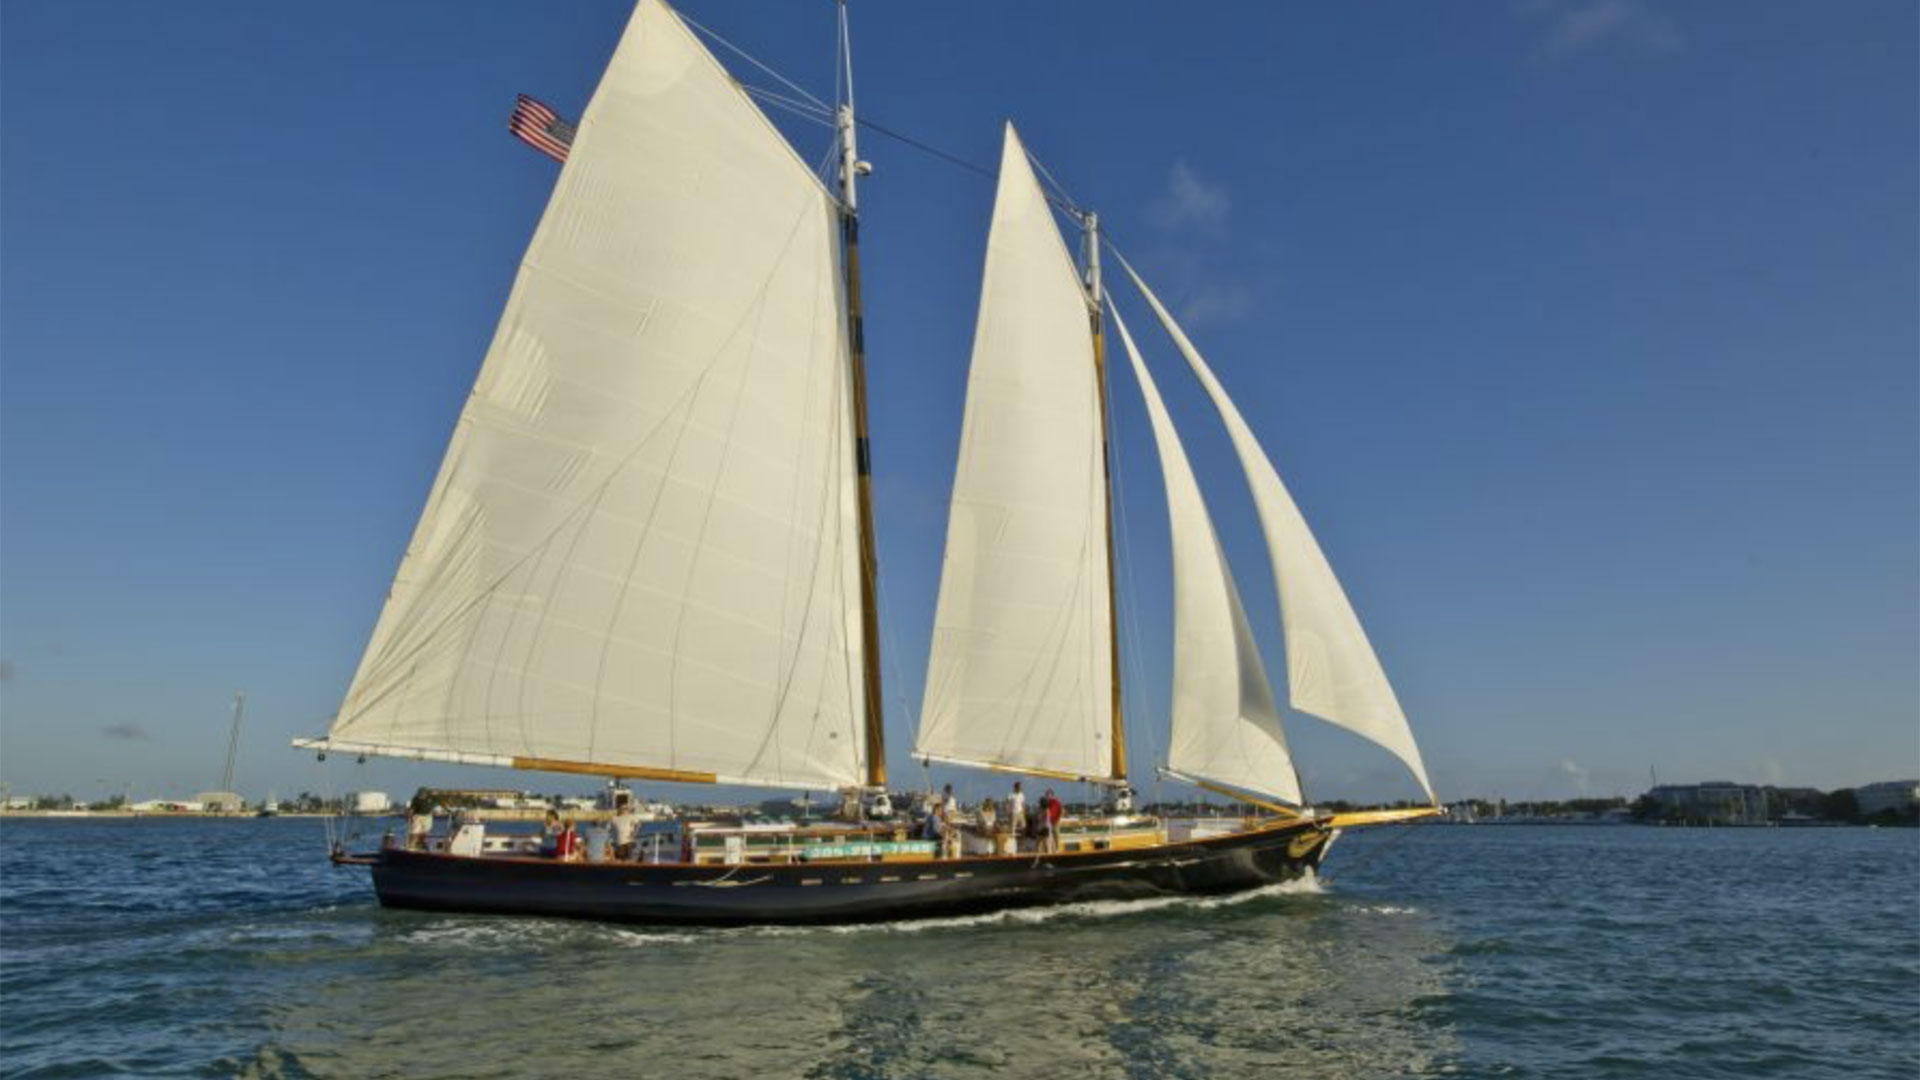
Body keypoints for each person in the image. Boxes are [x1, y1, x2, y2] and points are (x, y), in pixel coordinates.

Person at [1041, 788, 1064, 853]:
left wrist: (1057, 819)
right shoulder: (1047, 802)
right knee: (1048, 836)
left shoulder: (1056, 802)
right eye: (1046, 794)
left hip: (1055, 821)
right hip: (1049, 822)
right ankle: (1048, 850)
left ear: (1052, 795)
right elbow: (1045, 812)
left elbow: (1060, 810)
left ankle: (1057, 849)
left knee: (1056, 835)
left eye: (1048, 794)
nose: (1047, 796)